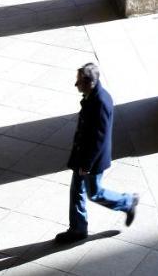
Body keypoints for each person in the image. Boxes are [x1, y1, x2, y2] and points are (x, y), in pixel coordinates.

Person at [55, 63, 138, 243]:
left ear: (89, 82)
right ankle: (78, 228)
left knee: (94, 193)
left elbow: (98, 140)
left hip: (90, 160)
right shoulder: (93, 96)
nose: (75, 85)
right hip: (83, 157)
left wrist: (86, 165)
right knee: (77, 190)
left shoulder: (100, 102)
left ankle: (127, 202)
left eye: (78, 81)